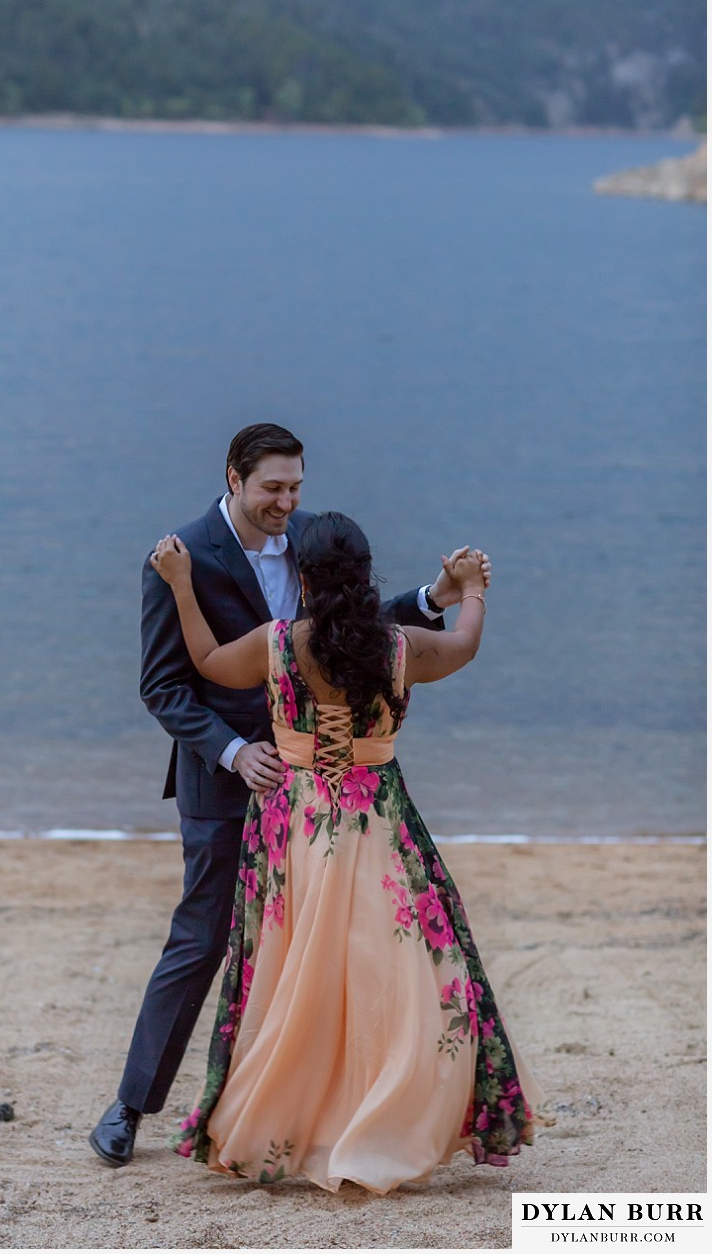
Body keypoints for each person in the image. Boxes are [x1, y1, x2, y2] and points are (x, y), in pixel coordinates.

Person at [89, 423, 489, 1167]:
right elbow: (165, 685)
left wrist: (434, 595)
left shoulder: (309, 536)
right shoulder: (178, 556)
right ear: (234, 478)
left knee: (325, 946)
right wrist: (236, 752)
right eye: (274, 487)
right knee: (202, 937)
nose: (288, 501)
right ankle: (131, 1105)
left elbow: (356, 624)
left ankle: (303, 1110)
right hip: (226, 778)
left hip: (318, 792)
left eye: (297, 486)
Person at [151, 512, 540, 1192]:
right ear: (364, 577)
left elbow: (207, 661)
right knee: (392, 968)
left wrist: (182, 586)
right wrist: (472, 587)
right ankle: (387, 1115)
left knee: (297, 972)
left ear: (302, 576)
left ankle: (292, 1123)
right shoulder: (401, 648)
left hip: (295, 827)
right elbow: (468, 644)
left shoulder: (278, 644)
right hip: (378, 825)